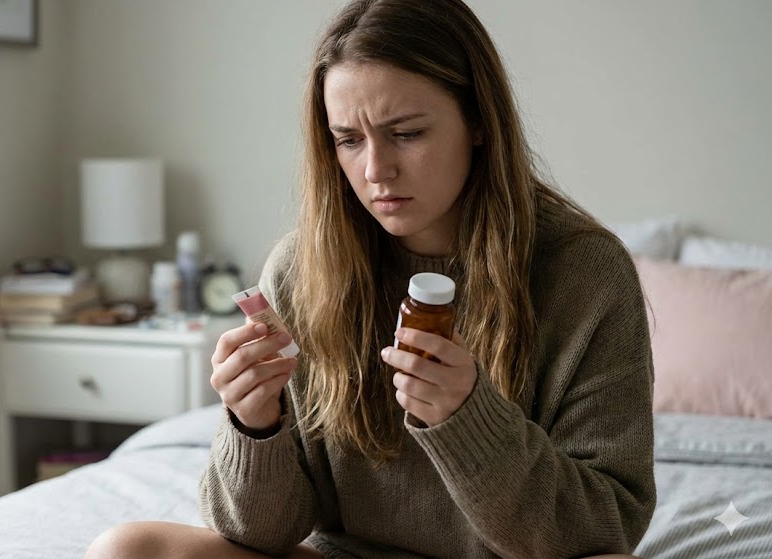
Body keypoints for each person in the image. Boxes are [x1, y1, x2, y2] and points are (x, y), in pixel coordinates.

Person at [86, 0, 655, 557]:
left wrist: (470, 420)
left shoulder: (586, 273)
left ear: (478, 121)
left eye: (406, 133)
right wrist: (254, 425)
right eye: (349, 140)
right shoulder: (298, 271)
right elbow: (262, 535)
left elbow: (602, 531)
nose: (376, 171)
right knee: (126, 549)